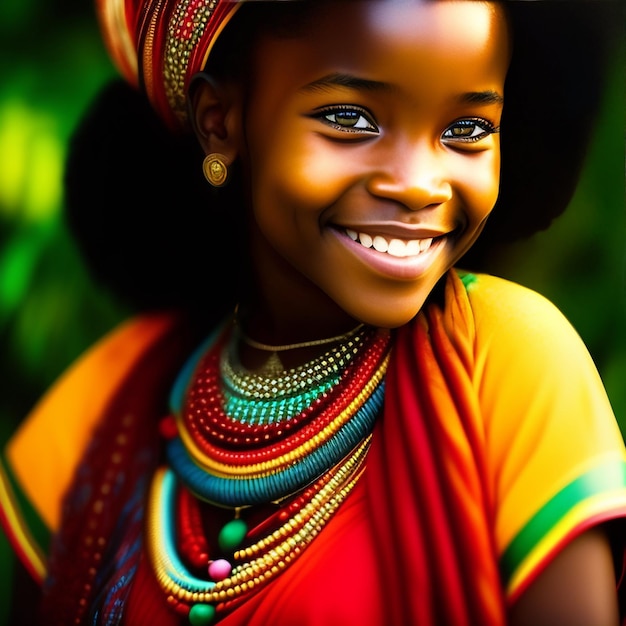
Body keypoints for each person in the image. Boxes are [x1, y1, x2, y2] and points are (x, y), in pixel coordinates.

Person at [1, 0, 625, 624]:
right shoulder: (112, 397)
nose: (419, 185)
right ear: (220, 122)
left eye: (467, 131)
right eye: (351, 118)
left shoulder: (508, 362)